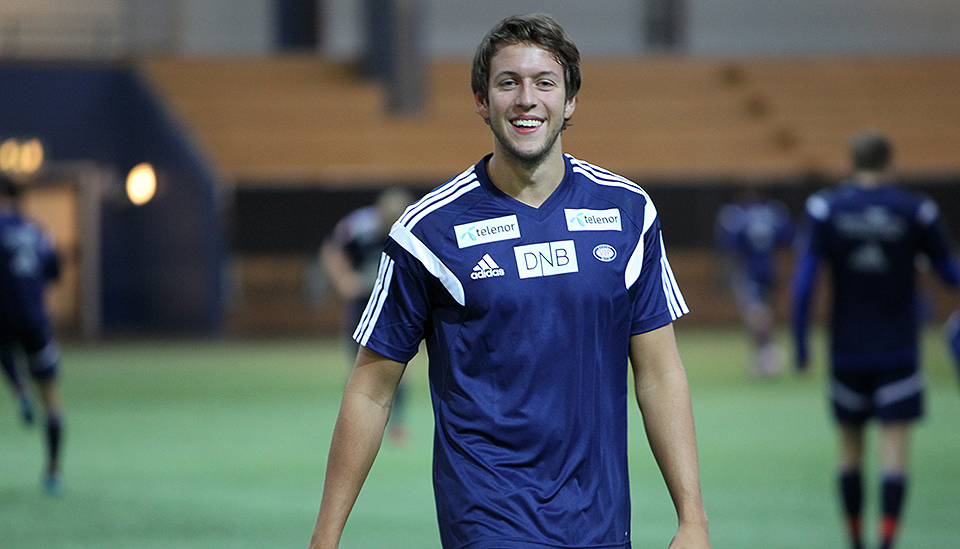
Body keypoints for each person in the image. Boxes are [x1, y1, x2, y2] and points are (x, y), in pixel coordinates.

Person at [308, 13, 709, 549]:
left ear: (570, 102)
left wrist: (692, 519)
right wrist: (325, 536)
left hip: (602, 524)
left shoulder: (628, 212)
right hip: (488, 519)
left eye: (545, 83)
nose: (526, 99)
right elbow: (371, 391)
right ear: (481, 100)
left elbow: (659, 374)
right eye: (508, 83)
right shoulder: (428, 231)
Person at [791, 130, 960, 549]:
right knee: (894, 452)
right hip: (899, 350)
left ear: (852, 160)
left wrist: (800, 345)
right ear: (890, 162)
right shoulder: (915, 210)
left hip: (846, 351)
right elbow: (950, 275)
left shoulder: (827, 208)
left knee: (849, 450)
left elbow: (803, 285)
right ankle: (886, 542)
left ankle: (855, 540)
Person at [319, 186, 414, 444]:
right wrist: (343, 281)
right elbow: (332, 250)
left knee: (396, 366)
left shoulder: (414, 228)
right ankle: (354, 426)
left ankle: (396, 424)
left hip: (395, 305)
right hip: (362, 303)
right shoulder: (358, 226)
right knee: (359, 367)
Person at [0, 174, 66, 496]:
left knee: (3, 349)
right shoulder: (37, 231)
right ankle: (53, 472)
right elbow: (55, 271)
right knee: (52, 399)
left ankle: (18, 390)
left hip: (2, 317)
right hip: (35, 319)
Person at [714, 190, 794, 377]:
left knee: (756, 314)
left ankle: (768, 352)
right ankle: (762, 355)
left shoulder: (735, 215)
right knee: (762, 312)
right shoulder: (774, 212)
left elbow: (729, 247)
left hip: (749, 271)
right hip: (770, 270)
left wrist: (725, 276)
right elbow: (790, 239)